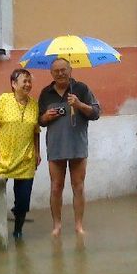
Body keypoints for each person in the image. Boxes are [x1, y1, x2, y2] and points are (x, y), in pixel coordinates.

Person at [38, 58, 100, 236]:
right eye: (56, 71)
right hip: (56, 147)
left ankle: (78, 226)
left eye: (63, 69)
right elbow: (39, 120)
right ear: (51, 73)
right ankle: (56, 225)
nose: (60, 73)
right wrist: (46, 117)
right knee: (56, 187)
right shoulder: (45, 93)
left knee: (78, 186)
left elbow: (96, 113)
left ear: (70, 70)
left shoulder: (81, 89)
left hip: (77, 146)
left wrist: (79, 104)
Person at [0, 68, 41, 239]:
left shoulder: (34, 104)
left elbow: (36, 131)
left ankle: (18, 231)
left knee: (23, 201)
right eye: (24, 81)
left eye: (29, 81)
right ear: (13, 84)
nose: (28, 84)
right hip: (3, 158)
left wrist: (37, 152)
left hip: (25, 160)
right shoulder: (3, 100)